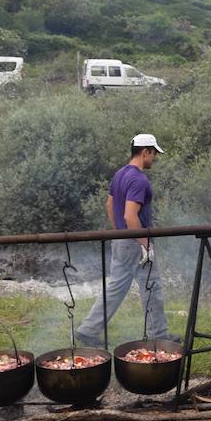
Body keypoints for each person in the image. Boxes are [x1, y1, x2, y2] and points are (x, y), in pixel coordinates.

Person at [75, 134, 180, 347]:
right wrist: (145, 244)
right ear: (145, 152)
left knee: (115, 288)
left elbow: (109, 205)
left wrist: (119, 233)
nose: (154, 158)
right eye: (154, 154)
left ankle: (88, 330)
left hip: (121, 240)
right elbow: (130, 215)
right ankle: (158, 336)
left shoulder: (119, 174)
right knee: (152, 287)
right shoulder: (139, 179)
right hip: (135, 243)